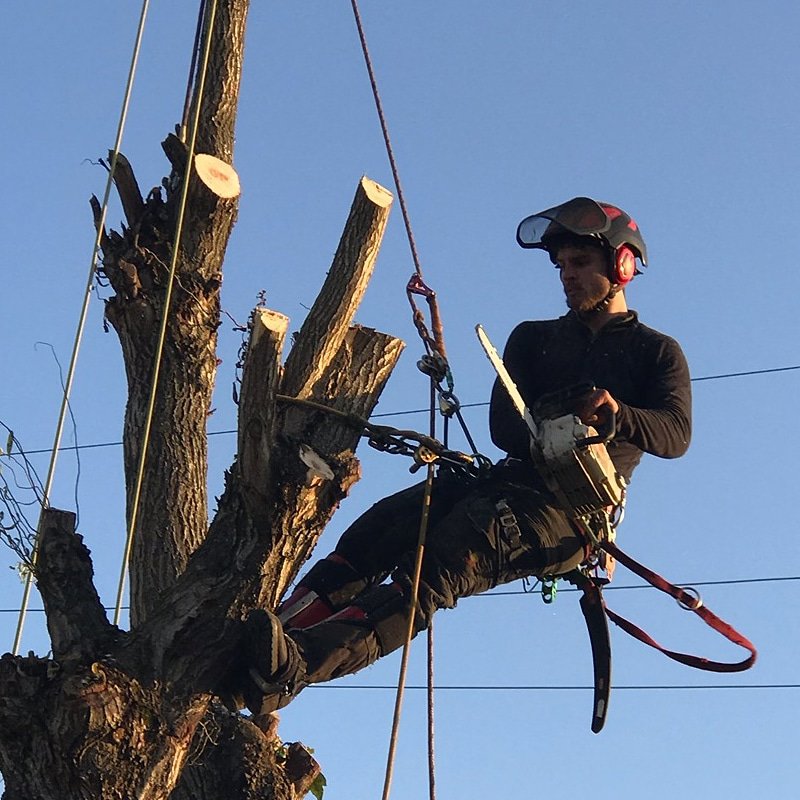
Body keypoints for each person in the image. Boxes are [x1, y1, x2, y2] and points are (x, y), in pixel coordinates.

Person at [239, 196, 692, 714]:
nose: (567, 275)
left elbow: (676, 433)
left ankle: (289, 669)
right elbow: (503, 427)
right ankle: (277, 625)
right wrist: (549, 421)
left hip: (570, 515)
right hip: (507, 480)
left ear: (622, 265)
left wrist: (618, 415)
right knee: (383, 526)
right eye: (562, 265)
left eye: (580, 263)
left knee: (440, 566)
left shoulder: (656, 352)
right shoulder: (534, 338)